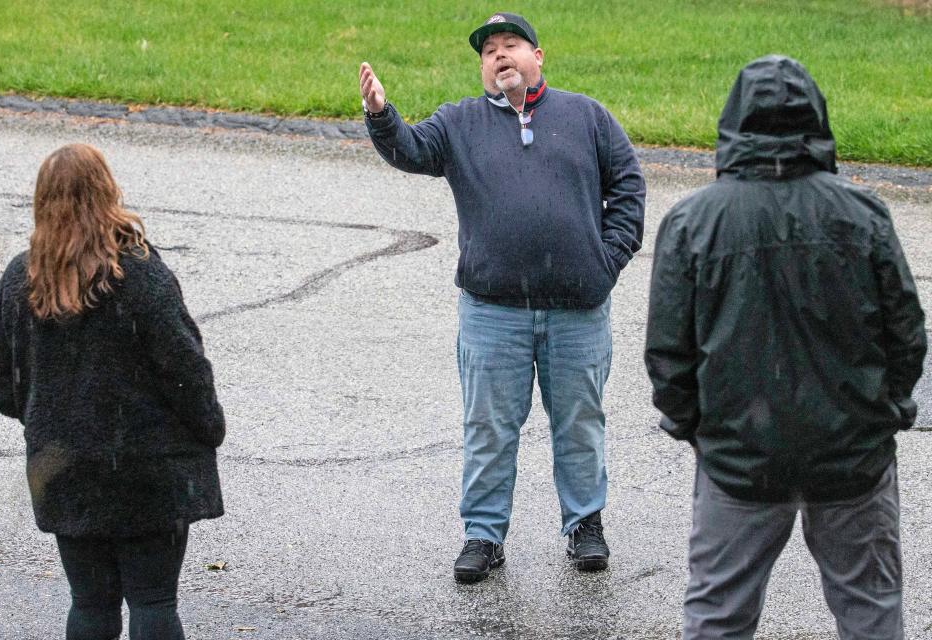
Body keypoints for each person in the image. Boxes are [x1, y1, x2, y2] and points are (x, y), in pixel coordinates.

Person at [645, 55, 927, 639]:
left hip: (740, 460)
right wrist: (885, 413)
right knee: (870, 611)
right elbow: (907, 336)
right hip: (851, 456)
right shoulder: (862, 213)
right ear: (816, 119)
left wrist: (698, 431)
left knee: (719, 617)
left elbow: (669, 352)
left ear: (733, 122)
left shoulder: (694, 221)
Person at [359, 12, 646, 583]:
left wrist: (603, 263)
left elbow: (628, 187)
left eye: (510, 45)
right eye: (489, 51)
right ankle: (483, 536)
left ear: (539, 55)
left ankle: (585, 525)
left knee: (580, 421)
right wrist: (380, 116)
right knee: (489, 426)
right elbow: (411, 150)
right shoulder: (460, 122)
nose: (499, 56)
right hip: (492, 311)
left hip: (577, 309)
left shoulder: (586, 116)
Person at [0, 143, 226, 640]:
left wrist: (40, 414)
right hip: (149, 470)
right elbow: (185, 368)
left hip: (65, 468)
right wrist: (209, 426)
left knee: (89, 605)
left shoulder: (20, 281)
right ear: (107, 193)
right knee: (154, 600)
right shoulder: (140, 275)